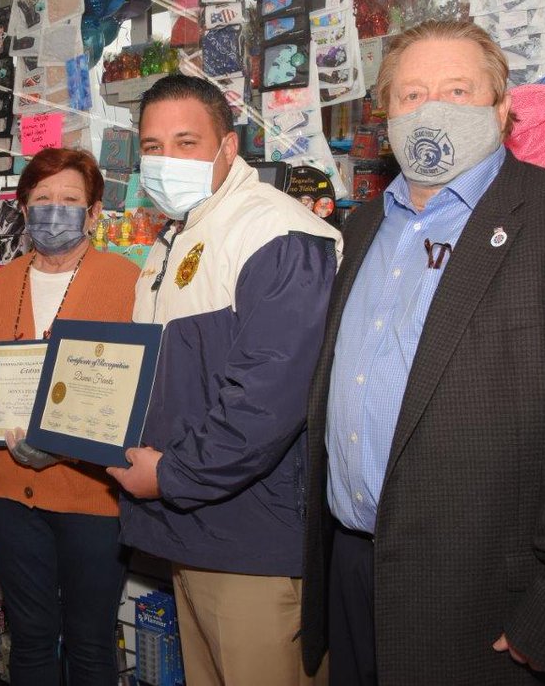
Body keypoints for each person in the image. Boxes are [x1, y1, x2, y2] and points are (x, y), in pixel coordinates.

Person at [301, 20, 545, 686]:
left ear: (503, 106)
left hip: (489, 602)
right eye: (412, 94)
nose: (433, 110)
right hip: (351, 571)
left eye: (459, 90)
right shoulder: (366, 225)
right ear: (388, 115)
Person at [108, 74, 342, 686]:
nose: (165, 161)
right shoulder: (177, 235)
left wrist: (172, 475)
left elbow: (267, 397)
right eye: (153, 147)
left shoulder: (274, 232)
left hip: (254, 542)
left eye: (187, 142)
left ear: (228, 148)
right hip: (196, 528)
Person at [0, 147, 138, 685]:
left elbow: (139, 397)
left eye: (70, 200)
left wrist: (67, 441)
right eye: (43, 198)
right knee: (29, 639)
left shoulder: (128, 283)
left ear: (95, 213)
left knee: (90, 640)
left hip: (92, 494)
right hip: (8, 493)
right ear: (24, 209)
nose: (55, 210)